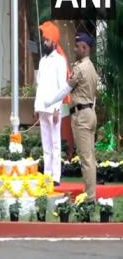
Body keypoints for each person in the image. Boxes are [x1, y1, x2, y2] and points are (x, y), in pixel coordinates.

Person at [46, 32, 99, 202]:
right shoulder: (91, 67)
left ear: (85, 48)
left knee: (86, 158)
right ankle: (89, 193)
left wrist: (48, 102)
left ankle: (90, 197)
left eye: (77, 46)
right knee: (89, 156)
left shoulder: (80, 68)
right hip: (90, 112)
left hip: (82, 116)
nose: (75, 49)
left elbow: (65, 90)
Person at [35, 23, 68, 186]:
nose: (44, 42)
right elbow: (39, 86)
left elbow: (62, 87)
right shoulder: (42, 61)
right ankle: (47, 174)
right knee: (46, 143)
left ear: (54, 42)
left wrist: (57, 109)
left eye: (46, 40)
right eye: (44, 40)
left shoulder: (60, 61)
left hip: (53, 109)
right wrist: (36, 107)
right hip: (42, 108)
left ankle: (56, 176)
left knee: (55, 143)